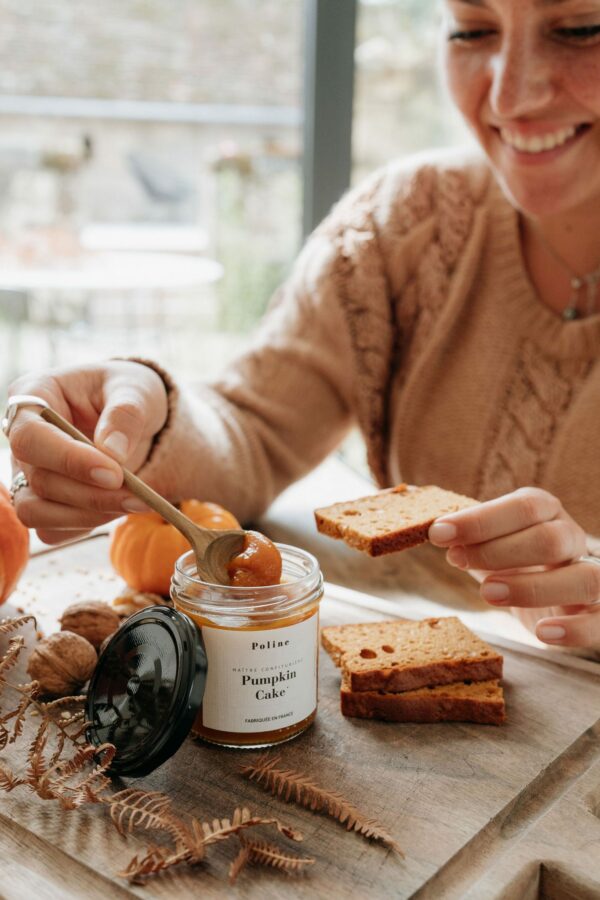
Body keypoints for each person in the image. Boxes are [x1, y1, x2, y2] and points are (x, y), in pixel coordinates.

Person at [4, 0, 600, 651]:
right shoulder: (408, 222)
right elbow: (256, 430)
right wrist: (145, 419)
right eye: (471, 29)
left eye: (580, 28)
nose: (511, 96)